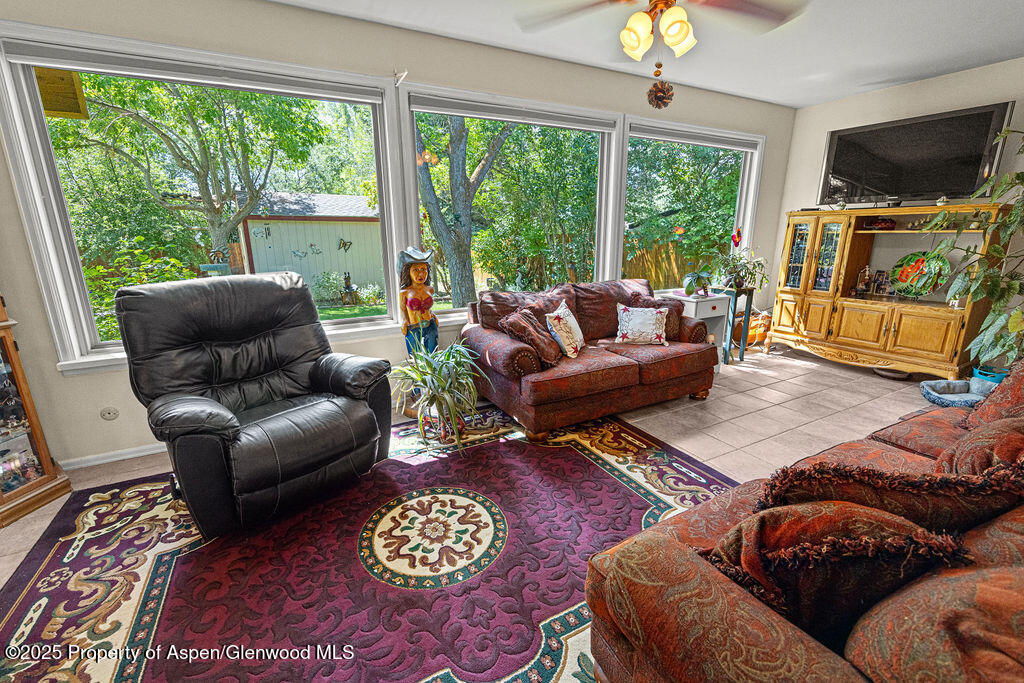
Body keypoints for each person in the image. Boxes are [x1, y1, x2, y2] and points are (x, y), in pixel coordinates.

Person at [397, 247, 438, 355]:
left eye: (423, 269)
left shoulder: (430, 289)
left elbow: (429, 308)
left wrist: (433, 315)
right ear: (408, 271)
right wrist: (404, 320)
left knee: (433, 355)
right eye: (415, 270)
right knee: (416, 358)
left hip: (430, 325)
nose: (420, 274)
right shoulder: (404, 292)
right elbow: (402, 308)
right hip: (413, 327)